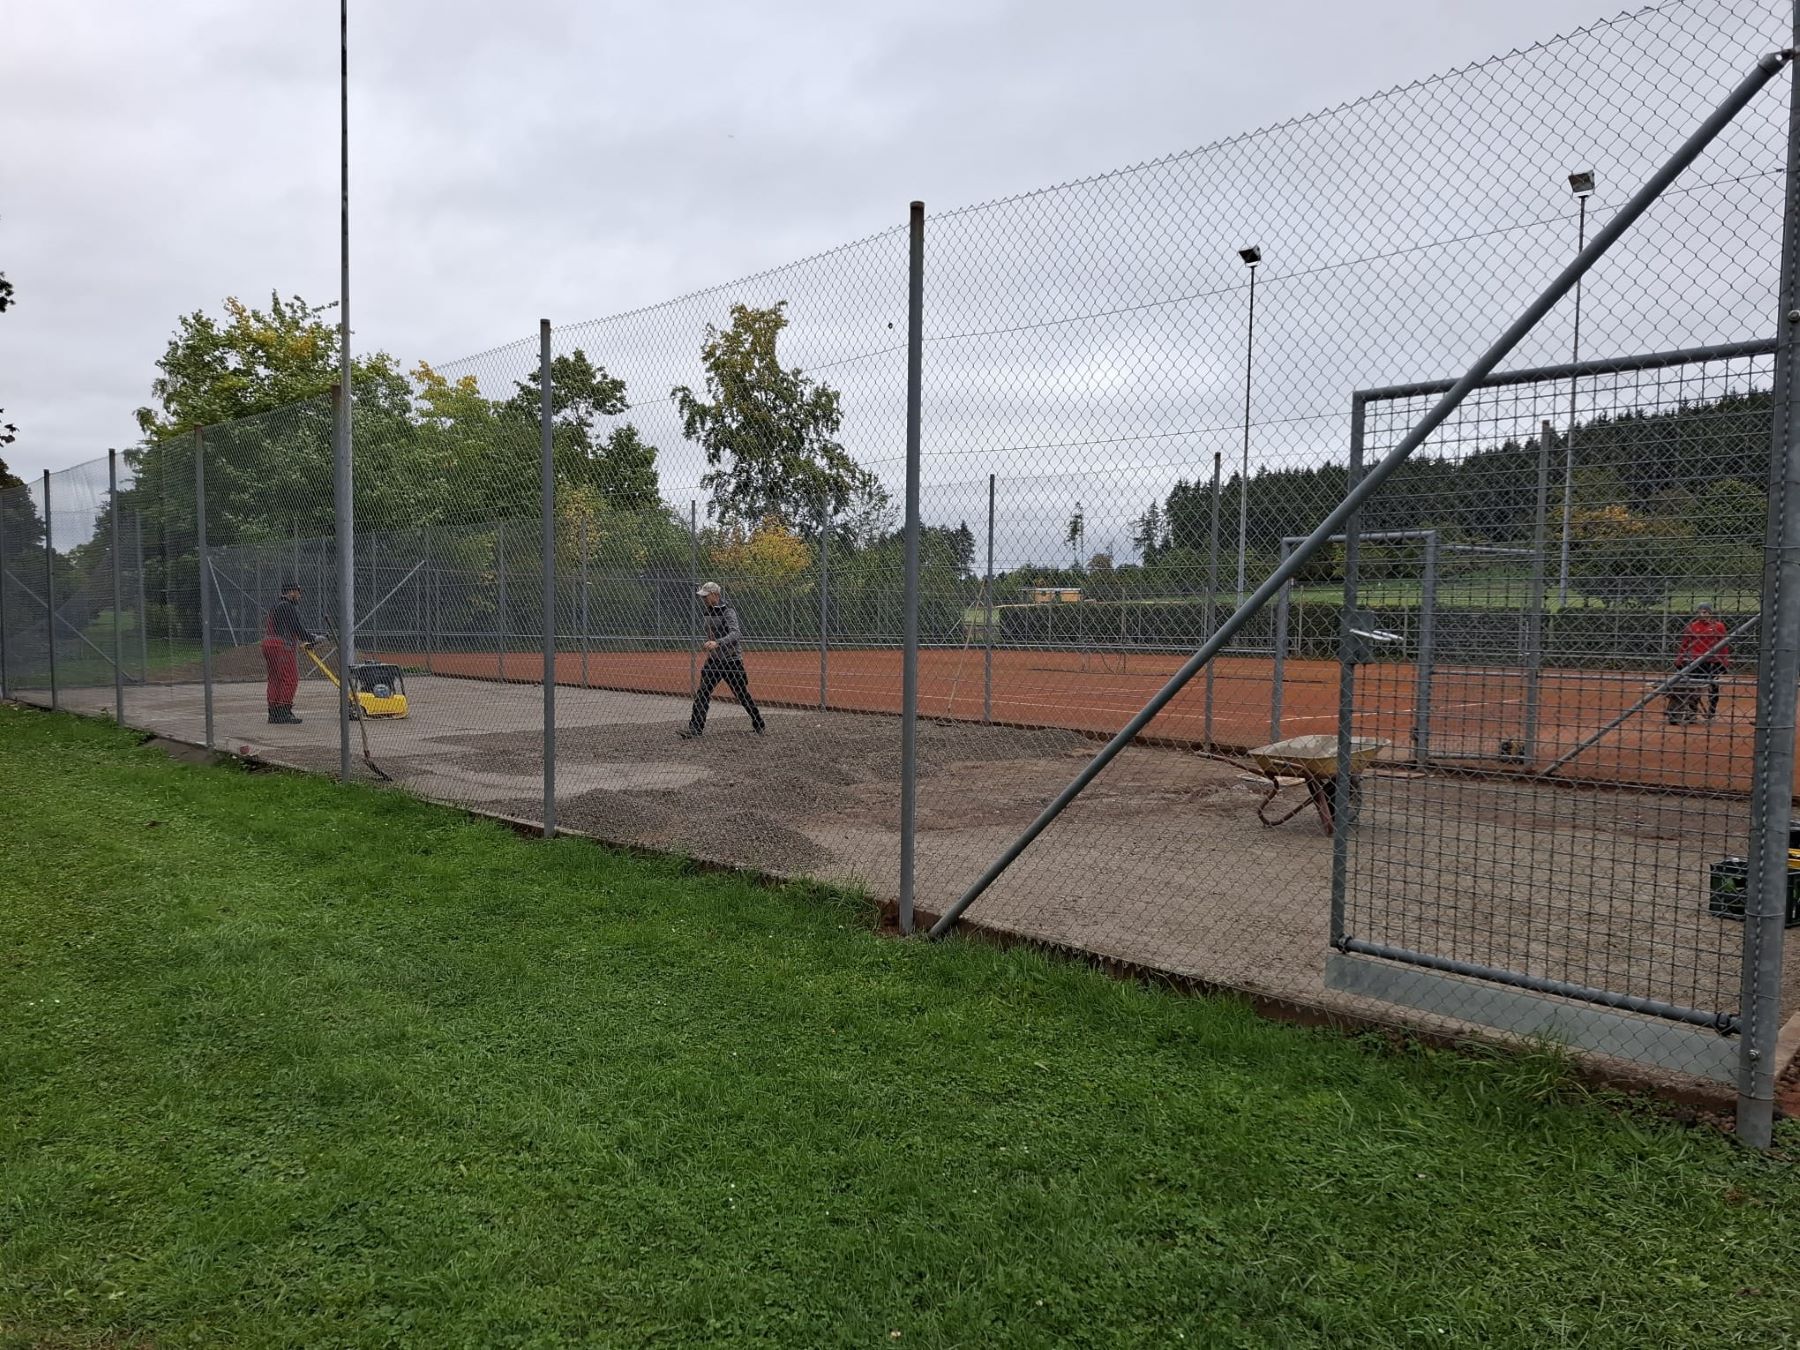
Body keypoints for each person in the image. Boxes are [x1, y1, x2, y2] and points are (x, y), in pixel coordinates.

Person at [680, 581, 766, 739]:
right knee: (703, 692)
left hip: (731, 660)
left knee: (741, 693)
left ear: (715, 595)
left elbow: (736, 634)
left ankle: (758, 722)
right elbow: (712, 632)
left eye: (706, 596)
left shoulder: (728, 611)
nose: (703, 599)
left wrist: (718, 643)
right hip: (714, 660)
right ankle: (695, 728)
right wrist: (710, 644)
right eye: (703, 597)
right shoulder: (708, 611)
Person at [263, 580, 316, 725]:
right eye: (298, 593)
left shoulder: (276, 605)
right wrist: (312, 638)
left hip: (269, 644)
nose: (299, 596)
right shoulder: (287, 606)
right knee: (290, 678)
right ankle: (284, 711)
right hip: (282, 646)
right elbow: (297, 628)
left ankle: (273, 712)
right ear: (292, 592)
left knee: (275, 678)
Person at [1672, 602, 1731, 724]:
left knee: (1713, 687)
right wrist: (1679, 659)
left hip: (1713, 661)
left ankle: (1711, 713)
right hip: (1696, 661)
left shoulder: (1718, 626)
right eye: (1699, 612)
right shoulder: (1692, 626)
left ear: (1710, 613)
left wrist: (1724, 662)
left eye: (1704, 612)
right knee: (1694, 687)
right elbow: (1684, 644)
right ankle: (1692, 712)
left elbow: (1724, 645)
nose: (1702, 614)